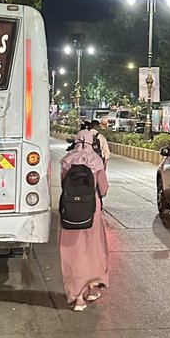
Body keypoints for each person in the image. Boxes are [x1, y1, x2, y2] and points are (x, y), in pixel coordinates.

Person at [59, 128, 110, 311]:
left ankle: (77, 296)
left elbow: (64, 184)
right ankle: (93, 286)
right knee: (93, 250)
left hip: (70, 212)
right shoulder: (96, 161)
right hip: (92, 212)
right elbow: (103, 189)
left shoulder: (67, 160)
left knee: (73, 254)